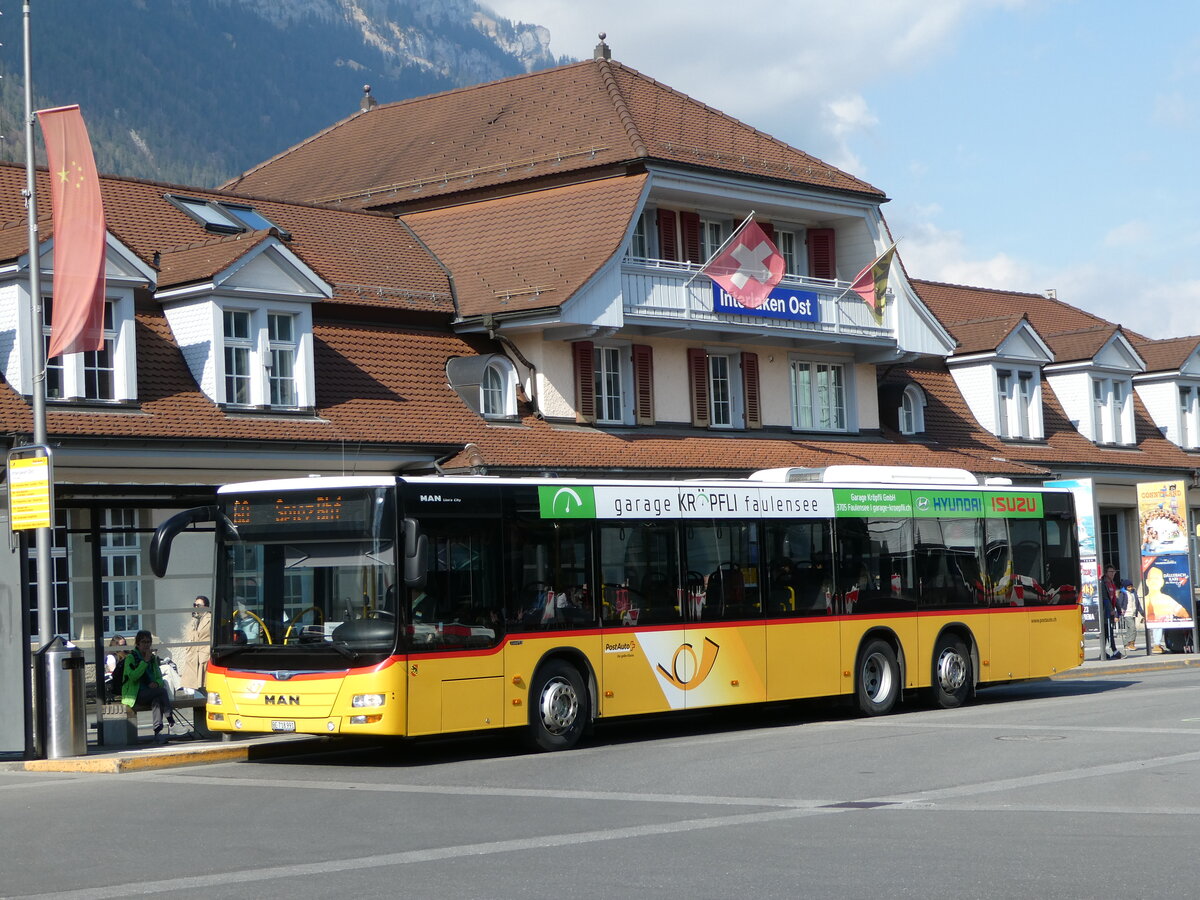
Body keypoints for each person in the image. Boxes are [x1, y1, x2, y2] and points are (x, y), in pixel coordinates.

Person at [121, 630, 175, 744]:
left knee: (157, 700)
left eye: (148, 642)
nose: (146, 645)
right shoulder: (131, 658)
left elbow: (159, 677)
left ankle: (158, 732)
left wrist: (157, 683)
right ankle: (170, 719)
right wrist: (144, 661)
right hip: (135, 695)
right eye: (143, 642)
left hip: (151, 693)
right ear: (138, 643)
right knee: (161, 692)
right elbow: (133, 677)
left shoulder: (153, 659)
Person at [179, 595, 212, 693]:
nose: (196, 607)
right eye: (194, 605)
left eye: (198, 605)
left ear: (206, 607)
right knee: (192, 687)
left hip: (204, 655)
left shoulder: (210, 619)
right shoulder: (194, 620)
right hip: (193, 656)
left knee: (205, 686)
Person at [1100, 565, 1121, 659]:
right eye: (1110, 572)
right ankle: (1114, 651)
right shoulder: (1103, 583)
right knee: (1108, 632)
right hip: (1105, 612)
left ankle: (1104, 652)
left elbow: (1114, 598)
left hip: (1110, 612)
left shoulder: (1112, 583)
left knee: (1108, 632)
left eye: (1114, 572)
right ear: (1106, 573)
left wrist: (1119, 610)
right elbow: (1105, 598)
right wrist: (1111, 610)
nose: (1113, 574)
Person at [1119, 579, 1142, 652]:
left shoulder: (1134, 593)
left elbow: (1137, 604)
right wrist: (1118, 614)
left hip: (1133, 613)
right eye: (1128, 587)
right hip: (1127, 613)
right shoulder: (1123, 593)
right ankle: (1131, 643)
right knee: (1133, 628)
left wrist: (1142, 612)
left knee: (1129, 630)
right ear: (1125, 587)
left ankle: (1126, 644)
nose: (1130, 588)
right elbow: (1120, 604)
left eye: (1131, 586)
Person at [104, 635, 127, 701]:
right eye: (121, 646)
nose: (123, 648)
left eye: (124, 645)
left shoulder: (127, 654)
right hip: (118, 682)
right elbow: (114, 672)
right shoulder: (111, 656)